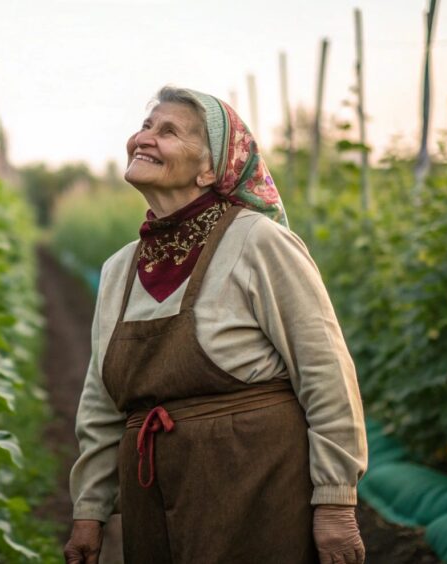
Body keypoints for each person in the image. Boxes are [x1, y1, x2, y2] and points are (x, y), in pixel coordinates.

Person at [63, 87, 368, 564]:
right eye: (146, 126)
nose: (144, 138)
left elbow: (325, 372)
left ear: (211, 169)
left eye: (168, 131)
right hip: (154, 501)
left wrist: (335, 502)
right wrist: (89, 509)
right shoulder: (120, 268)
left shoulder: (258, 242)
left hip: (256, 488)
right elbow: (101, 401)